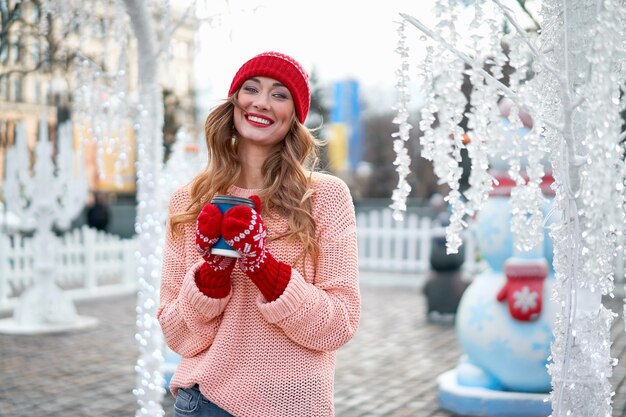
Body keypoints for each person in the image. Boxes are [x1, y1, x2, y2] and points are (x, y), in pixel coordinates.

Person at [158, 51, 361, 417]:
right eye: (251, 89)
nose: (262, 102)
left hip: (294, 404)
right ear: (235, 102)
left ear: (294, 116)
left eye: (280, 94)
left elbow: (338, 325)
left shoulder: (325, 197)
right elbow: (178, 335)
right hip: (206, 404)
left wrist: (261, 265)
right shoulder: (189, 201)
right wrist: (213, 273)